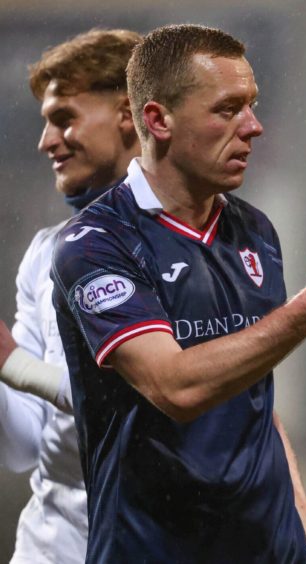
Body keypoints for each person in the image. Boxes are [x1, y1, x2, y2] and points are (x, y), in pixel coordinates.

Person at [51, 24, 306, 563]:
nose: (253, 127)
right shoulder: (96, 244)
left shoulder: (254, 231)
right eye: (227, 109)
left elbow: (255, 405)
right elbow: (175, 388)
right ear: (158, 120)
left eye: (251, 106)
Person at [0, 29, 141, 563]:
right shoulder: (45, 252)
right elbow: (22, 447)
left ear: (128, 112)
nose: (46, 141)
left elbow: (159, 402)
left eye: (64, 118)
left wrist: (17, 365)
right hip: (51, 548)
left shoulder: (193, 246)